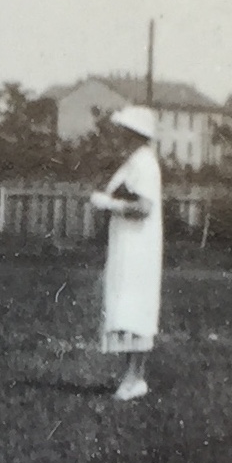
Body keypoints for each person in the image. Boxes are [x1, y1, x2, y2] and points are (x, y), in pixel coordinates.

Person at [90, 104, 163, 400]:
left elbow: (144, 208)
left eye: (123, 132)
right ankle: (131, 376)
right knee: (126, 306)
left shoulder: (145, 163)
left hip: (139, 245)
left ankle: (135, 378)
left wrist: (110, 205)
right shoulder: (134, 161)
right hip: (128, 243)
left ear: (134, 134)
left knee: (136, 307)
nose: (118, 136)